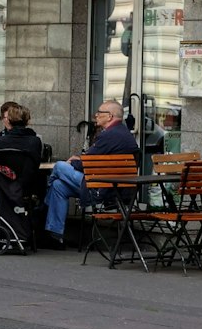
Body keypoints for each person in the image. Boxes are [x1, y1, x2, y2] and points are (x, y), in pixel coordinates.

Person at [39, 99, 139, 247]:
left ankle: (43, 204)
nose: (96, 116)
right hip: (116, 188)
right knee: (59, 186)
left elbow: (86, 164)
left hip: (101, 189)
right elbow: (92, 161)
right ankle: (55, 236)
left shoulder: (108, 135)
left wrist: (75, 161)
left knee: (59, 166)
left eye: (99, 113)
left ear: (110, 116)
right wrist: (80, 160)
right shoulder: (123, 133)